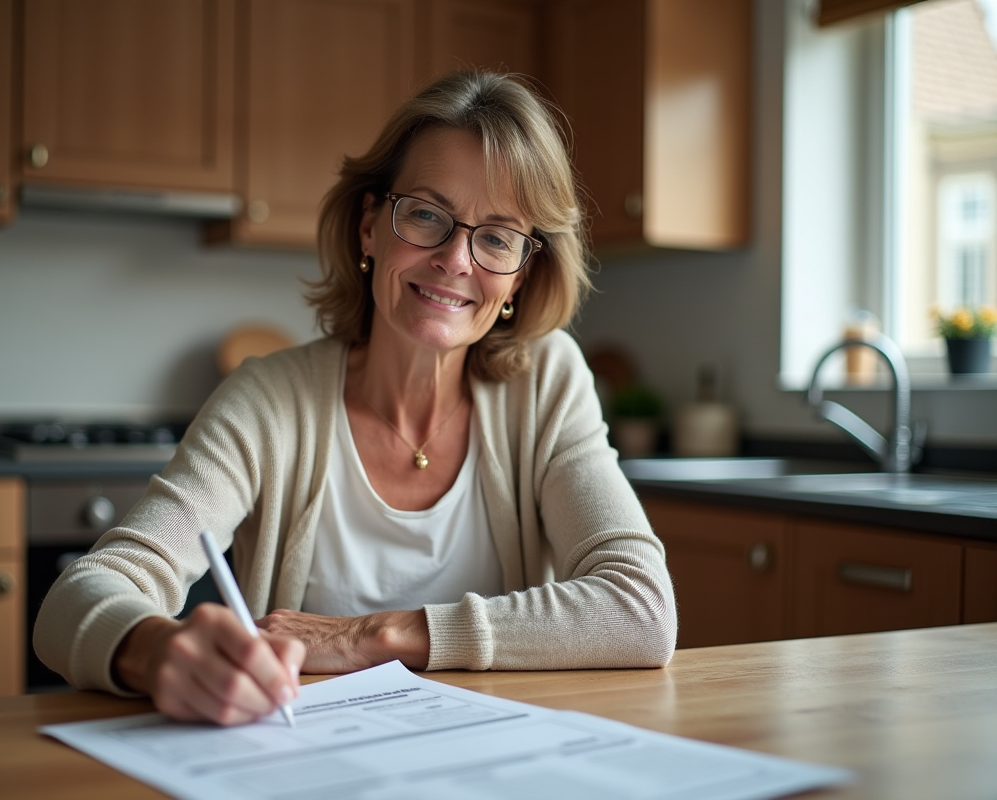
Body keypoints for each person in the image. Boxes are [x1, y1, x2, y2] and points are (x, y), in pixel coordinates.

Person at [34, 70, 677, 726]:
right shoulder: (269, 400)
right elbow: (76, 599)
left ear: (521, 274)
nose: (457, 259)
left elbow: (641, 610)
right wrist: (157, 650)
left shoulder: (547, 383)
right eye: (427, 214)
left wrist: (372, 636)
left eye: (496, 236)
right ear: (371, 226)